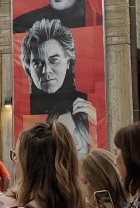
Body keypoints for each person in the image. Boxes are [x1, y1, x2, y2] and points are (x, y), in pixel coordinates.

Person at [20, 19, 97, 152]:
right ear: (28, 68)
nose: (46, 71)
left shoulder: (85, 105)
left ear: (68, 61)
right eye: (38, 63)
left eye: (53, 60)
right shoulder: (24, 105)